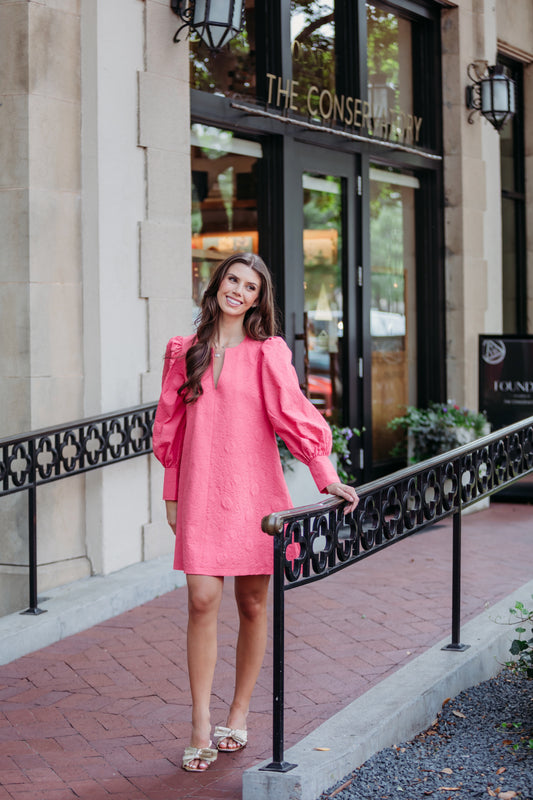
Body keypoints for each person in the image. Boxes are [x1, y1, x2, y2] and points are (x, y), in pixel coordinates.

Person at [152, 252, 359, 772]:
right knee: (202, 600)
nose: (238, 291)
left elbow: (294, 415)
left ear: (257, 298)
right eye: (232, 279)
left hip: (254, 494)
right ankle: (200, 720)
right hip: (200, 493)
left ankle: (238, 712)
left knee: (251, 605)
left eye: (250, 286)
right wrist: (172, 494)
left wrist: (326, 477)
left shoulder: (268, 353)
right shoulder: (185, 351)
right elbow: (170, 428)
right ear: (217, 283)